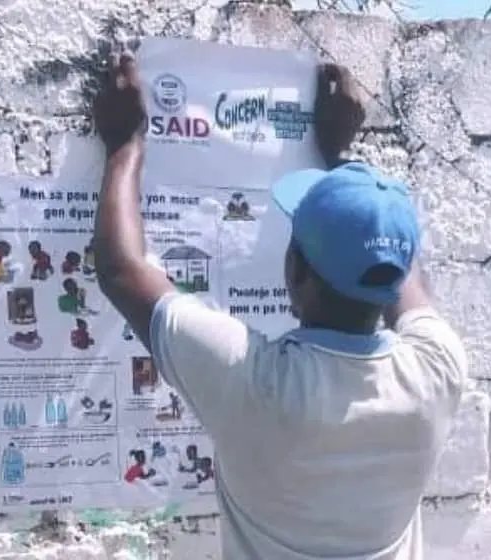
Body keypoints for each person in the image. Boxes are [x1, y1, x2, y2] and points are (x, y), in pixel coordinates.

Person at [90, 53, 467, 560]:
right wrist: (345, 162)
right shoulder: (438, 369)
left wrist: (124, 142)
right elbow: (398, 269)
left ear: (294, 270)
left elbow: (122, 269)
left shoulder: (259, 383)